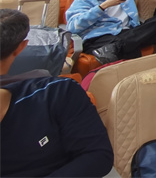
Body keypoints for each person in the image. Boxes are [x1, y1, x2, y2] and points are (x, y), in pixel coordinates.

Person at [0, 9, 114, 177]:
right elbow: (98, 156)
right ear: (21, 47)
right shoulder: (58, 92)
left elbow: (98, 156)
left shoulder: (58, 92)